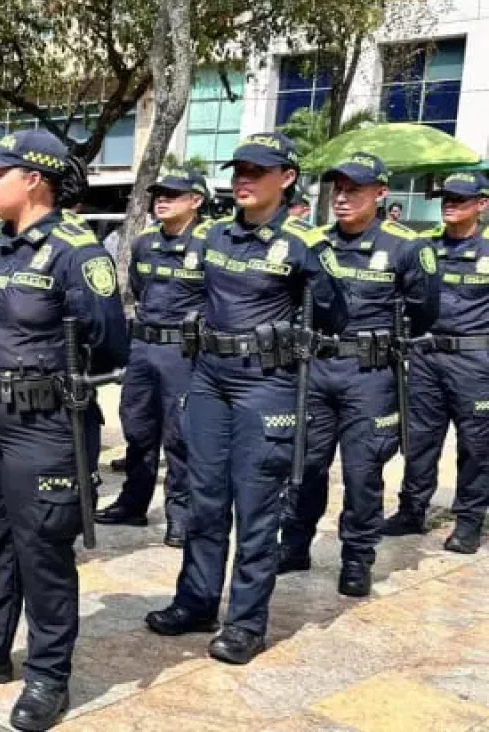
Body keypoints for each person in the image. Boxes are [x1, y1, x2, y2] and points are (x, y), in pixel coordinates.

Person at [0, 130, 128, 731]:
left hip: (44, 426)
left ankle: (48, 675)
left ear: (34, 179)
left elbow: (111, 344)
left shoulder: (78, 252)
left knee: (42, 552)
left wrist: (46, 380)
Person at [146, 133, 347, 666]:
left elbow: (334, 314)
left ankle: (246, 623)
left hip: (267, 383)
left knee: (256, 507)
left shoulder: (304, 243)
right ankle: (196, 601)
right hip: (211, 378)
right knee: (204, 497)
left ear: (285, 178)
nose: (243, 180)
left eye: (256, 171)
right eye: (238, 170)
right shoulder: (213, 236)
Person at [277, 153, 438, 594]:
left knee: (362, 471)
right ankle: (294, 546)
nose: (343, 198)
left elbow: (425, 312)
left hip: (370, 374)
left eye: (355, 190)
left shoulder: (407, 246)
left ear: (381, 193)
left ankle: (357, 558)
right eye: (339, 189)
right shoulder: (316, 240)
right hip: (317, 368)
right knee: (304, 464)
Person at [96, 167, 210, 546]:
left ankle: (181, 514)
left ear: (196, 200)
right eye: (158, 194)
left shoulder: (209, 243)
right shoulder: (145, 243)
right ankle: (133, 504)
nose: (161, 200)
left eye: (172, 194)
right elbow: (138, 290)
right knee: (138, 429)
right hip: (143, 347)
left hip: (183, 350)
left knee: (180, 436)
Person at [383, 171, 489, 554]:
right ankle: (412, 510)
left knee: (477, 445)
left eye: (460, 199)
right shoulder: (423, 247)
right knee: (420, 437)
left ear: (482, 204)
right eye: (446, 198)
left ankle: (468, 522)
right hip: (425, 356)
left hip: (475, 360)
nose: (450, 204)